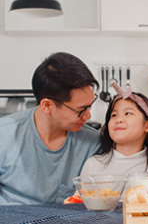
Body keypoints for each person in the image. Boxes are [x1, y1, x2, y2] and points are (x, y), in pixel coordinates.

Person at [0, 52, 101, 205]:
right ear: (47, 106)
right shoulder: (4, 135)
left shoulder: (93, 143)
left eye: (90, 106)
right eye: (81, 110)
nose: (88, 116)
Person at [65, 83, 148, 203]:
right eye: (114, 115)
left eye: (128, 113)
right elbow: (80, 206)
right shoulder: (93, 164)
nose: (119, 119)